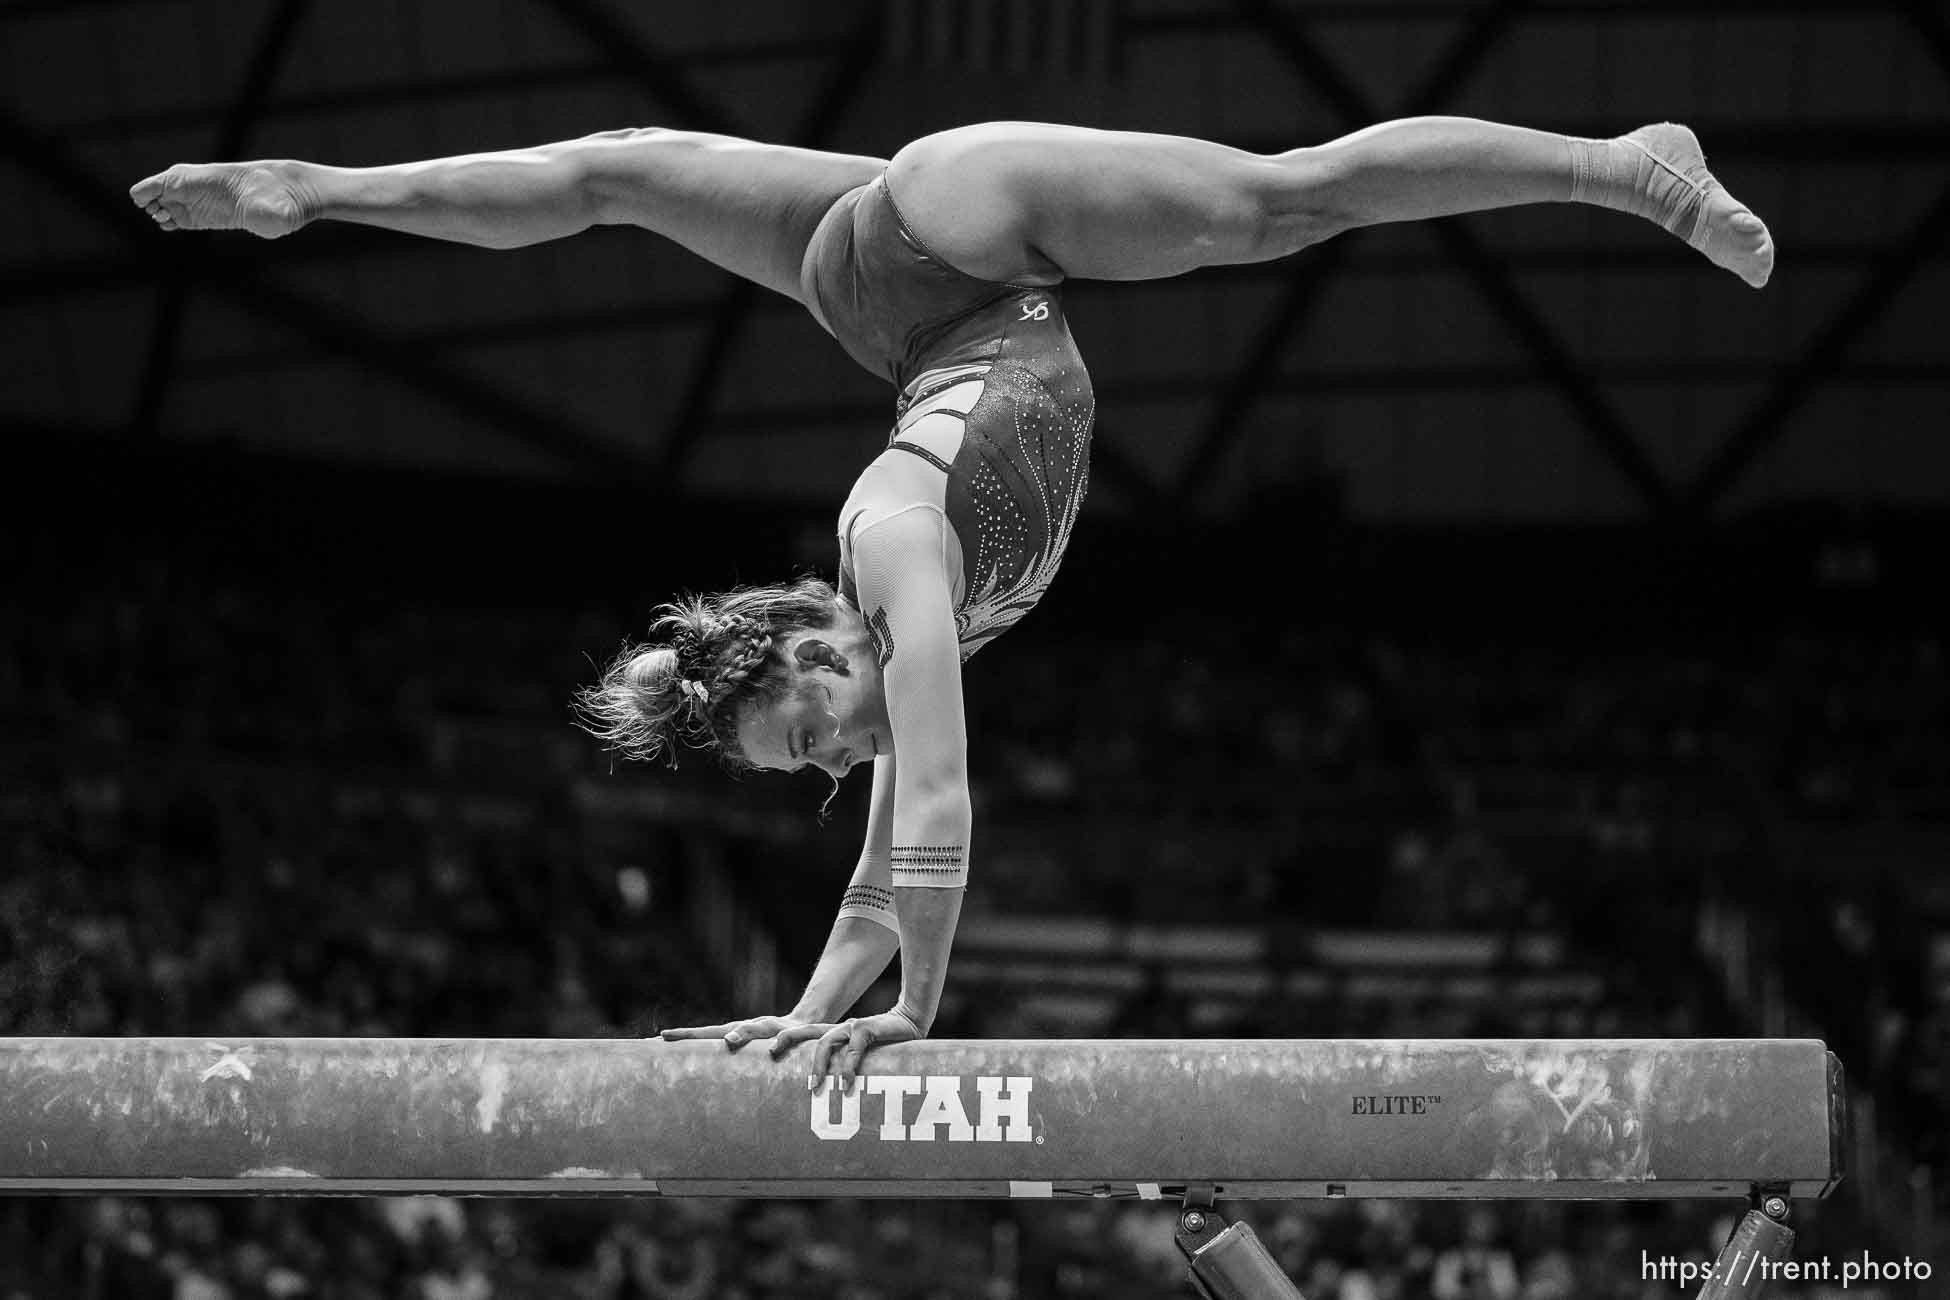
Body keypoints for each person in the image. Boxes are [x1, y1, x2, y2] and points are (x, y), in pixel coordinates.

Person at [132, 117, 1772, 1085]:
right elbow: (881, 839)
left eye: (807, 740)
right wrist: (802, 1014)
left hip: (954, 228)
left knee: (1283, 204)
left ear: (802, 651)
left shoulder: (897, 550)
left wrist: (919, 1009)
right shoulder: (864, 605)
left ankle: (1615, 166)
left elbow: (935, 800)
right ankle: (318, 190)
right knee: (616, 172)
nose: (838, 765)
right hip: (908, 303)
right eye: (813, 770)